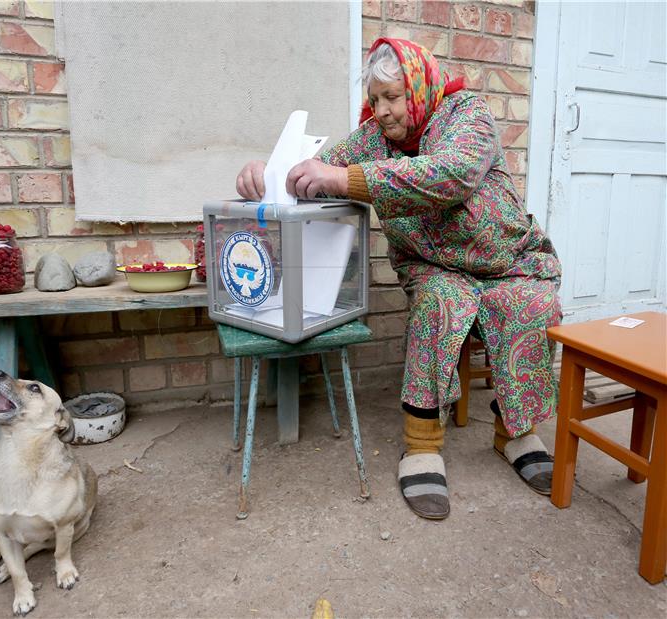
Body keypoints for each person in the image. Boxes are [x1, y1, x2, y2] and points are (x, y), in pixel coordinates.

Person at [236, 38, 562, 520]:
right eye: (375, 100)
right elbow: (312, 176)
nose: (383, 111)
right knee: (440, 303)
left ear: (419, 84)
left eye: (392, 96)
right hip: (433, 265)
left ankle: (516, 431)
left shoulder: (466, 114)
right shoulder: (371, 140)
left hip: (506, 260)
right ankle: (422, 443)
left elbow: (451, 175)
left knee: (531, 306)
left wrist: (345, 180)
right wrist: (265, 173)